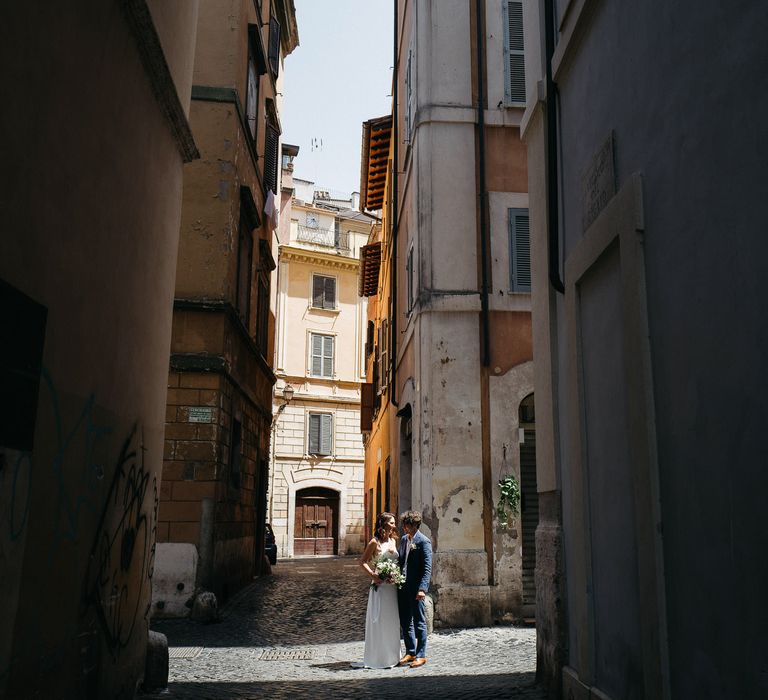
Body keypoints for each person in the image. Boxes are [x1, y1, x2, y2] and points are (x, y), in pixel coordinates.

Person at [358, 512, 401, 668]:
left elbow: (396, 562)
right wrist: (373, 575)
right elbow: (362, 561)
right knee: (380, 620)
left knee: (391, 621)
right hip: (380, 588)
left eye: (394, 522)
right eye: (391, 522)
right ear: (383, 524)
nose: (394, 525)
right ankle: (378, 658)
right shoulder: (374, 542)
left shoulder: (393, 541)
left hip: (392, 588)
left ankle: (392, 656)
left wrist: (396, 575)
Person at [397, 510, 432, 668]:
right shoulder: (404, 540)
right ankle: (410, 651)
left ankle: (421, 655)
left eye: (408, 525)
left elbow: (427, 568)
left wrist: (422, 589)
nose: (404, 527)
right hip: (402, 586)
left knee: (419, 621)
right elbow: (401, 561)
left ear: (415, 525)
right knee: (405, 621)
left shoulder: (424, 541)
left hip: (416, 588)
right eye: (404, 524)